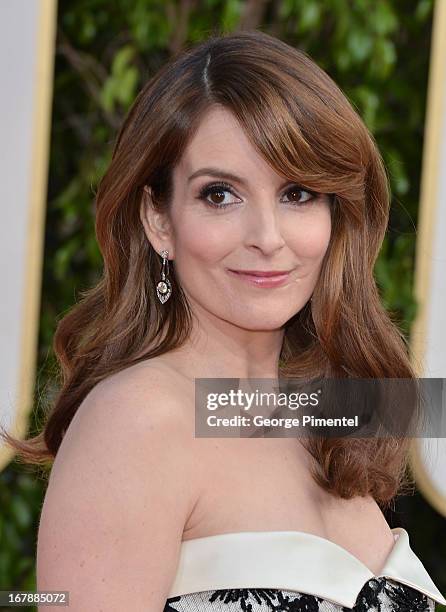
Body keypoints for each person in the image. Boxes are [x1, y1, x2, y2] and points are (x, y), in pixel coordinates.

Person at [3, 29, 445, 611]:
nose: (266, 238)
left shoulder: (329, 415)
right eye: (220, 195)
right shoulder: (139, 420)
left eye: (298, 193)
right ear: (159, 219)